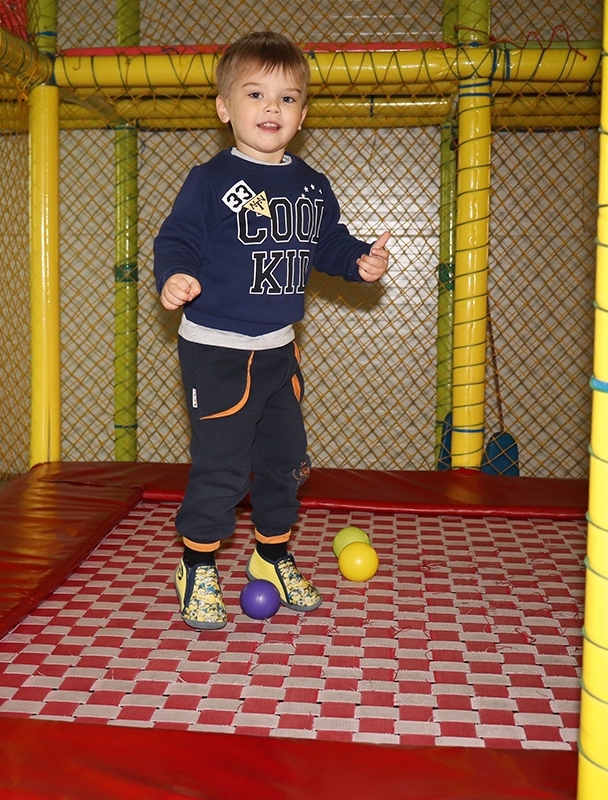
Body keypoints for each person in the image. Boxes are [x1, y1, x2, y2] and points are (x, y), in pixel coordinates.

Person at [154, 31, 391, 630]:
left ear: (302, 115)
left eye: (287, 98)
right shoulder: (209, 180)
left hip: (279, 349)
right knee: (223, 465)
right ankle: (197, 564)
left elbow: (327, 242)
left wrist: (358, 260)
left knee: (285, 462)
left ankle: (271, 556)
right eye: (255, 94)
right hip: (217, 349)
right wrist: (176, 275)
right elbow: (177, 238)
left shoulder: (311, 184)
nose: (271, 108)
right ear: (224, 107)